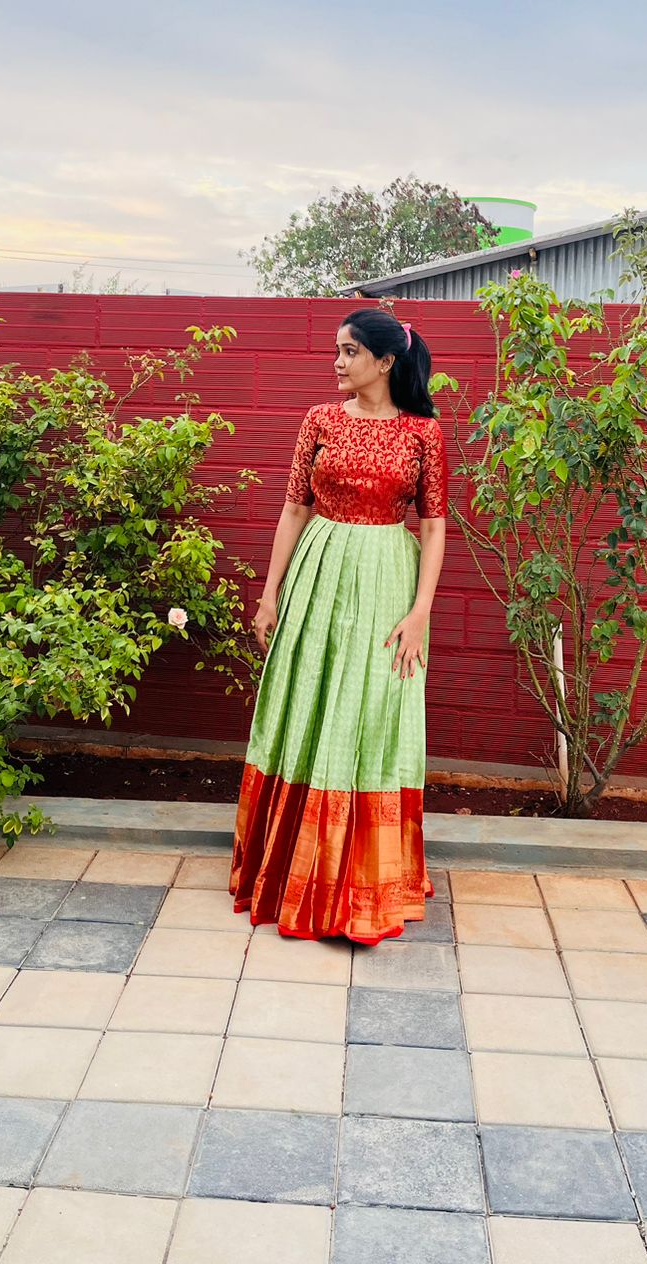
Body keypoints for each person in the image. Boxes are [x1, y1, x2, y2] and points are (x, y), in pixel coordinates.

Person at [228, 308, 448, 943]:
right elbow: (293, 510)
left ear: (386, 361)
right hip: (318, 576)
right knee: (307, 704)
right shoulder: (319, 420)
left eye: (350, 351)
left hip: (388, 583)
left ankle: (365, 878)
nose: (338, 362)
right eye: (337, 350)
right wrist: (269, 594)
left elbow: (434, 526)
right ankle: (294, 870)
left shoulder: (424, 434)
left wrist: (420, 612)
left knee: (373, 713)